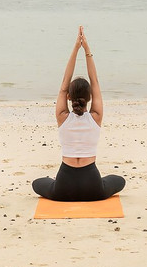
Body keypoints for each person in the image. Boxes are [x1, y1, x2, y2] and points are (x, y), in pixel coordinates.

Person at [32, 27, 126, 201]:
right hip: (93, 186)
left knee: (37, 184)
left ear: (68, 96)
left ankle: (54, 183)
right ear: (90, 98)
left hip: (63, 186)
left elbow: (64, 83)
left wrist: (75, 48)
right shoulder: (96, 116)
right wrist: (87, 51)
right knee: (119, 181)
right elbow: (95, 82)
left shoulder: (62, 116)